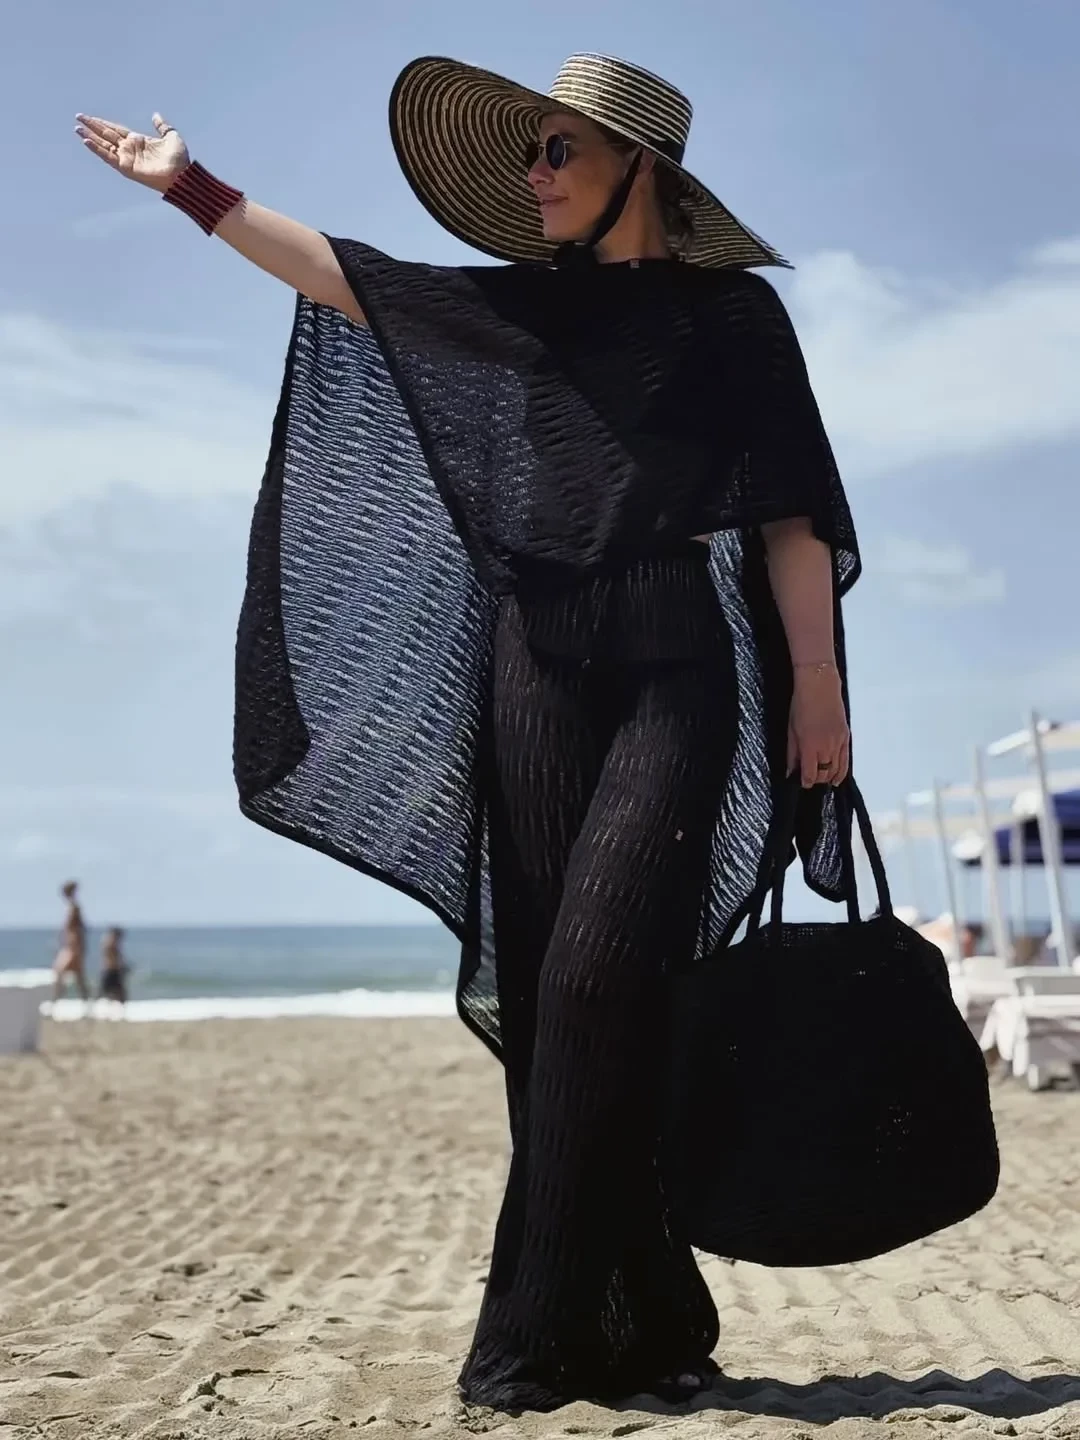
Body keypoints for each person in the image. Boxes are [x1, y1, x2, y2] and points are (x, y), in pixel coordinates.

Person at [75, 53, 859, 1412]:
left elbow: (793, 519)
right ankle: (650, 1314)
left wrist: (819, 687)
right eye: (530, 150)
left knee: (597, 984)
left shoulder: (733, 317)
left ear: (639, 168)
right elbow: (342, 275)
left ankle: (531, 1335)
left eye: (560, 150)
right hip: (533, 670)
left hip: (673, 668)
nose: (534, 174)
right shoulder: (515, 310)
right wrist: (190, 187)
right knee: (557, 1009)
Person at [52, 880, 89, 1005]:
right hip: (70, 945)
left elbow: (79, 928)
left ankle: (57, 999)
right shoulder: (72, 907)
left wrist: (78, 946)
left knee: (61, 971)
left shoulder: (74, 908)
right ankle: (85, 1001)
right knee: (77, 976)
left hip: (73, 946)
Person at [99, 927, 129, 1007]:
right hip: (110, 971)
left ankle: (120, 1009)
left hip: (112, 971)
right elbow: (113, 959)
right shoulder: (110, 943)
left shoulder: (110, 943)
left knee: (118, 993)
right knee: (108, 993)